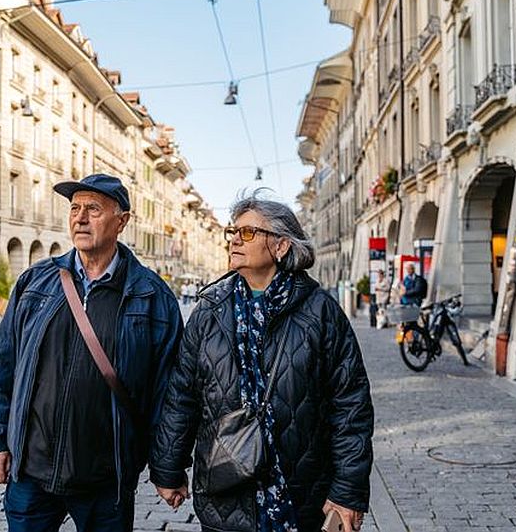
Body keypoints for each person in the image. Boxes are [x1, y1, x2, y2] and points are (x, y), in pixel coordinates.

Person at [150, 191, 374, 532]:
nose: (235, 240)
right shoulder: (209, 311)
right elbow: (182, 395)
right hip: (225, 489)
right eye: (233, 232)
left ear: (281, 246)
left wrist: (348, 489)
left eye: (249, 232)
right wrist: (168, 467)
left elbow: (350, 405)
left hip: (302, 492)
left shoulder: (319, 311)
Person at [0, 173, 183, 532]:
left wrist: (167, 467)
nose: (80, 218)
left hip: (106, 479)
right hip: (31, 474)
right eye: (75, 208)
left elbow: (170, 391)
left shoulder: (151, 295)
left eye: (94, 209)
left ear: (122, 221)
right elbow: (2, 365)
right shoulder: (36, 282)